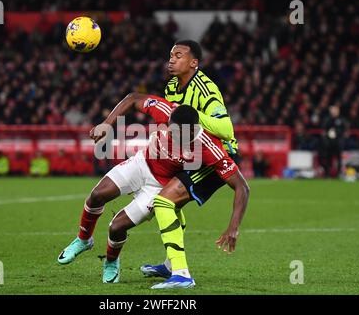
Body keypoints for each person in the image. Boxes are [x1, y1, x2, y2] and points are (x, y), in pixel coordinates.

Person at [57, 93, 249, 289]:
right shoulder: (167, 111)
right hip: (142, 164)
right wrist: (107, 123)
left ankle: (112, 262)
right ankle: (83, 240)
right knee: (97, 195)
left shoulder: (209, 147)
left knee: (116, 227)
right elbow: (133, 99)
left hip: (159, 188)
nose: (171, 135)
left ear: (192, 131)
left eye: (176, 134)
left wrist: (233, 227)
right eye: (169, 129)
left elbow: (242, 186)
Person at [139, 40, 244, 288]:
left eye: (178, 55)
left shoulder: (206, 90)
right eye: (170, 55)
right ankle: (170, 265)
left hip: (217, 156)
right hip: (193, 153)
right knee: (170, 204)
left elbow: (226, 129)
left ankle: (182, 275)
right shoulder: (173, 86)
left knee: (163, 201)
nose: (171, 60)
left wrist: (192, 115)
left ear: (193, 62)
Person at [318, 105, 347, 178]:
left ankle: (339, 173)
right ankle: (327, 173)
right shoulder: (327, 119)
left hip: (338, 142)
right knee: (328, 158)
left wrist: (340, 135)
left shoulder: (341, 119)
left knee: (339, 158)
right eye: (333, 111)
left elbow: (345, 130)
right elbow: (324, 129)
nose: (334, 112)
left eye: (335, 110)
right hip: (329, 142)